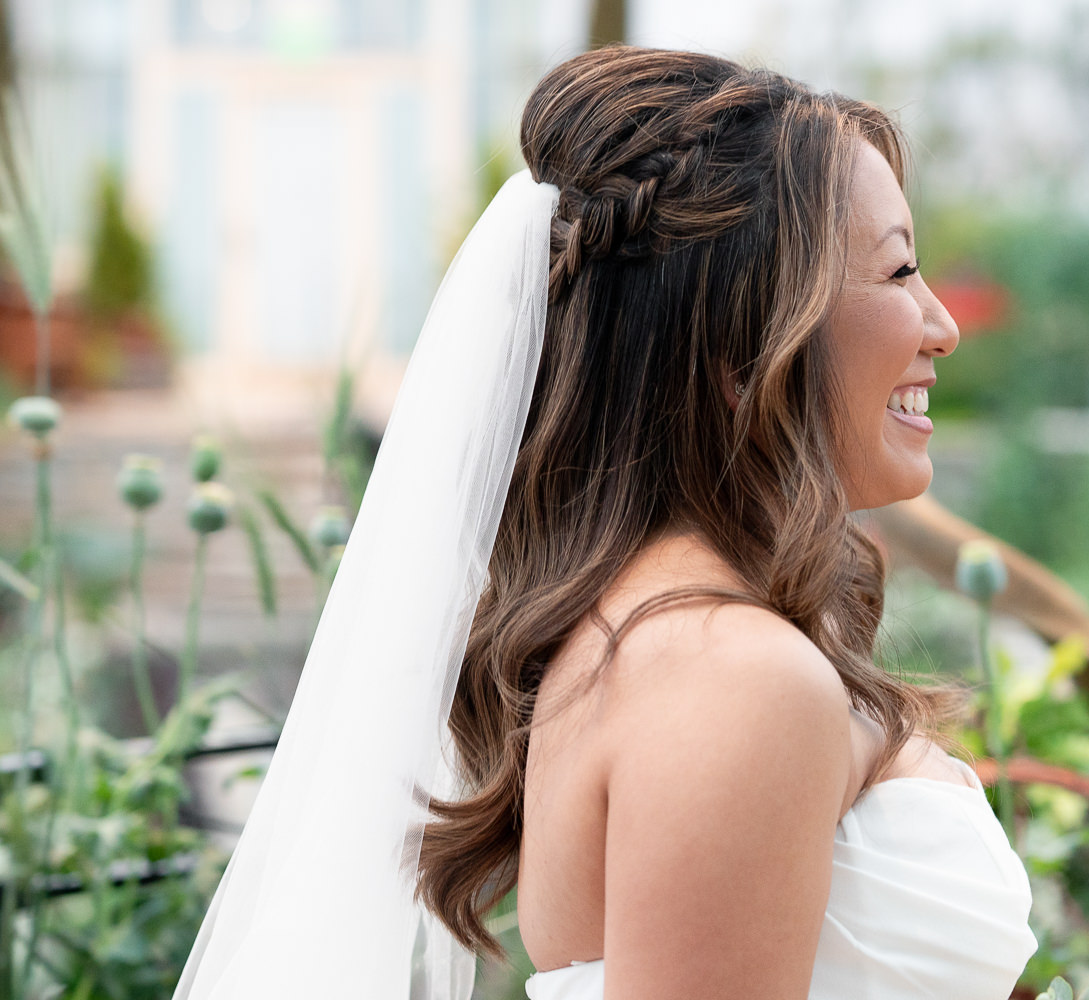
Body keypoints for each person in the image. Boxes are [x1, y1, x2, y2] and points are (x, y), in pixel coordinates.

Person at [173, 45, 1035, 1000]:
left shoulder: (663, 635)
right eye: (900, 270)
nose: (940, 323)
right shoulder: (730, 672)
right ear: (742, 341)